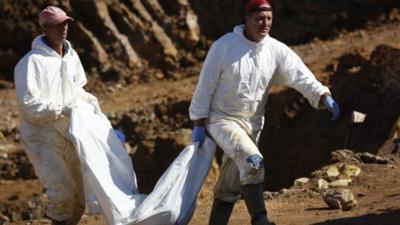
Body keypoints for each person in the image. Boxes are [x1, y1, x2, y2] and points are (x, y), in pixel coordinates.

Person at [189, 0, 340, 225]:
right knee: (252, 160)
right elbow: (205, 86)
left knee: (231, 182)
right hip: (222, 119)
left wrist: (322, 95)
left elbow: (300, 75)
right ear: (247, 19)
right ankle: (260, 219)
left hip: (253, 124)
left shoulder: (275, 50)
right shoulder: (224, 47)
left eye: (269, 19)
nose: (265, 23)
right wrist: (199, 123)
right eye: (260, 18)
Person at [14, 6, 102, 225]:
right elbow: (29, 107)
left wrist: (89, 105)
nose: (63, 28)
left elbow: (78, 89)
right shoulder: (30, 63)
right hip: (41, 138)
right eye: (56, 25)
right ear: (44, 29)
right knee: (61, 195)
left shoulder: (71, 57)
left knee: (79, 198)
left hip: (69, 134)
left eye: (65, 23)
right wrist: (60, 108)